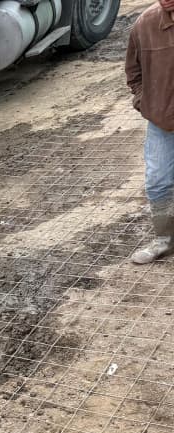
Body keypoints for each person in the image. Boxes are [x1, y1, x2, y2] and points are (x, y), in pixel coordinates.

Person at [126, 0, 174, 264]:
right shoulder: (145, 23)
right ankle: (164, 240)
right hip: (162, 121)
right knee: (157, 181)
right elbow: (133, 73)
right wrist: (145, 102)